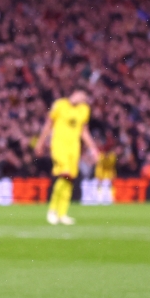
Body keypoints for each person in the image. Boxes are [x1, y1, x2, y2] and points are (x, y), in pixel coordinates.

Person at [34, 90, 100, 225]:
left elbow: (84, 131)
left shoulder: (84, 110)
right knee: (65, 174)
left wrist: (93, 148)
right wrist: (40, 143)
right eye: (79, 96)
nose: (80, 99)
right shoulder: (60, 105)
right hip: (59, 145)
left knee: (69, 180)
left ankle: (62, 213)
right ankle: (52, 210)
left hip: (74, 148)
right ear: (73, 94)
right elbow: (48, 125)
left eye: (83, 98)